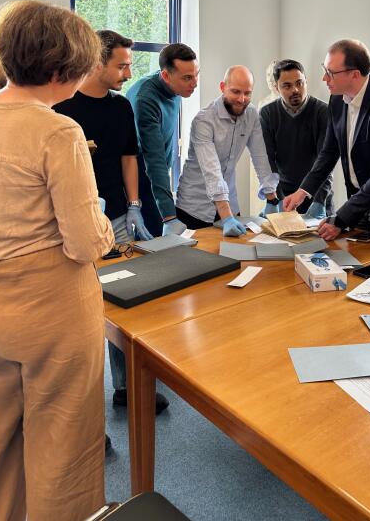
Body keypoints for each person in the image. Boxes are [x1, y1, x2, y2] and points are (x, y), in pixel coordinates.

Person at [0, 0, 114, 521]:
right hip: (49, 311)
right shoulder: (58, 131)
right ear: (61, 70)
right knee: (63, 441)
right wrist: (102, 217)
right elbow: (85, 243)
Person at [54, 30, 167, 414]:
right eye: (121, 66)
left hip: (117, 216)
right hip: (71, 221)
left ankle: (127, 385)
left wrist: (134, 205)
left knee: (125, 302)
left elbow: (129, 157)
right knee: (76, 312)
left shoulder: (121, 107)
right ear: (95, 62)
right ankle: (80, 408)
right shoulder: (62, 106)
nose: (128, 73)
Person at [283, 39, 370, 241]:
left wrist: (340, 219)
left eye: (331, 73)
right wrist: (303, 191)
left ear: (355, 74)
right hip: (360, 201)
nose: (324, 78)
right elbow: (329, 152)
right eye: (325, 70)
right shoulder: (337, 98)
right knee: (353, 256)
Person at [176, 65, 279, 235]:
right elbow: (212, 171)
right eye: (236, 92)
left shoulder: (251, 114)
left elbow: (260, 156)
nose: (242, 99)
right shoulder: (203, 121)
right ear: (223, 87)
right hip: (194, 207)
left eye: (247, 93)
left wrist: (272, 199)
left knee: (237, 250)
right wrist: (227, 218)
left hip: (229, 202)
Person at [127, 43, 199, 236]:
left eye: (196, 75)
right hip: (142, 173)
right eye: (187, 78)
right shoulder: (145, 98)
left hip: (160, 169)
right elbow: (153, 158)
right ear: (166, 76)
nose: (194, 83)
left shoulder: (177, 88)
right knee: (154, 236)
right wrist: (169, 216)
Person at [260, 58, 333, 218]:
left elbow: (325, 161)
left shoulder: (323, 112)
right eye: (287, 86)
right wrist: (276, 199)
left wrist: (319, 201)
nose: (295, 90)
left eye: (299, 83)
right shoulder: (267, 114)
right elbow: (267, 161)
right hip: (284, 196)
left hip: (316, 195)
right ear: (276, 88)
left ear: (306, 81)